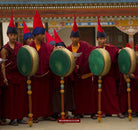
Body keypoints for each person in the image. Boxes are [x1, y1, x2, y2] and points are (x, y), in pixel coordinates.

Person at [93, 16, 124, 118]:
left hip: (109, 76)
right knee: (100, 96)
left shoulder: (111, 48)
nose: (102, 40)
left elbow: (117, 56)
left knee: (112, 94)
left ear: (106, 39)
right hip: (99, 76)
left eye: (104, 38)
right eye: (100, 38)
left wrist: (120, 52)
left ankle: (117, 111)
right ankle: (102, 111)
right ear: (97, 39)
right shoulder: (95, 50)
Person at [1, 9, 28, 126]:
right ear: (8, 35)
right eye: (11, 35)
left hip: (19, 74)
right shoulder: (4, 49)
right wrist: (5, 78)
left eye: (14, 35)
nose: (13, 37)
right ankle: (12, 118)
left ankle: (20, 117)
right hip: (10, 76)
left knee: (20, 97)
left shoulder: (20, 46)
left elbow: (24, 59)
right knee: (11, 99)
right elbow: (2, 64)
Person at [67, 16, 96, 119]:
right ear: (70, 38)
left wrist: (81, 66)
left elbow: (91, 55)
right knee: (77, 96)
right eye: (73, 37)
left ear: (79, 38)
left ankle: (92, 112)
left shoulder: (85, 45)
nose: (75, 39)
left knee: (88, 94)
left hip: (85, 75)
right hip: (76, 77)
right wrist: (74, 66)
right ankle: (78, 112)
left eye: (76, 37)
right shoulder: (68, 48)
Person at [29, 10, 55, 123]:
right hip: (34, 77)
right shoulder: (29, 47)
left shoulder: (48, 47)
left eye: (43, 34)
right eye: (40, 34)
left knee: (46, 97)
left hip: (45, 76)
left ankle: (47, 114)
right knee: (35, 97)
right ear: (35, 35)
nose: (42, 36)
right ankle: (34, 115)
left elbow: (54, 55)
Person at [52, 29, 75, 119]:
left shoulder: (67, 56)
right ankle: (58, 112)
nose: (60, 50)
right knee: (57, 97)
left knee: (67, 96)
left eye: (62, 48)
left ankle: (66, 111)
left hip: (67, 79)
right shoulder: (54, 57)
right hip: (57, 80)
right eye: (58, 48)